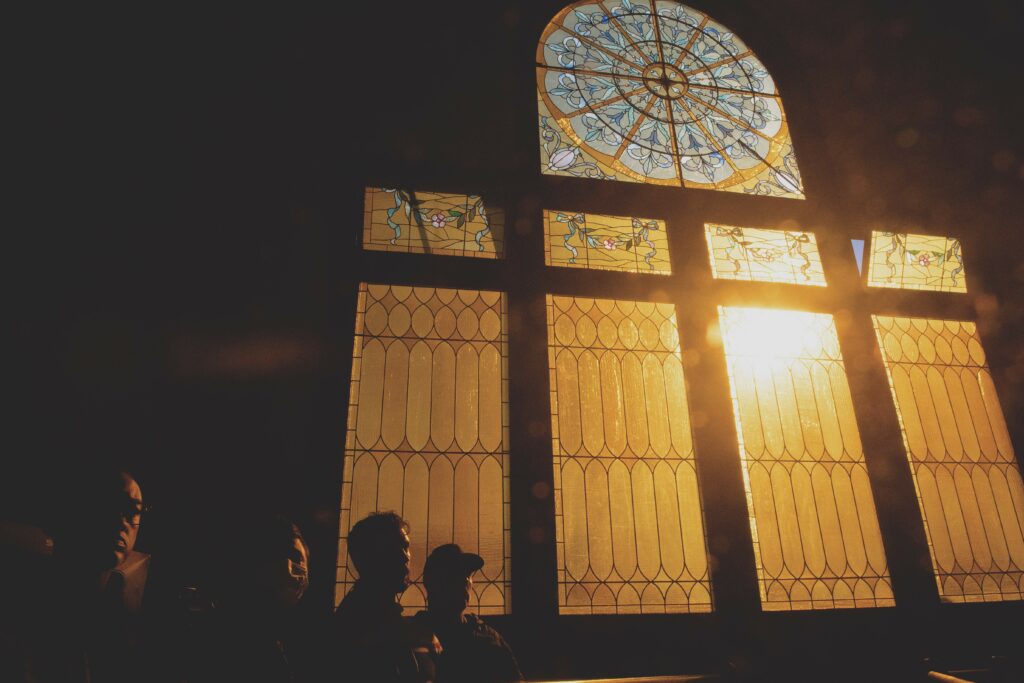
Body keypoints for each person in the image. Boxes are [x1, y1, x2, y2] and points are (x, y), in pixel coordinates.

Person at [2, 468, 153, 682]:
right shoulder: (19, 615)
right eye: (107, 505)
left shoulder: (120, 628)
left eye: (132, 511)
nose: (121, 521)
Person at [187, 515, 311, 683]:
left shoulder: (280, 633)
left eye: (304, 565)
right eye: (295, 559)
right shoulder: (232, 634)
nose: (301, 573)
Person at [333, 512, 438, 682]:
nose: (405, 556)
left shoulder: (388, 618)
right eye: (391, 549)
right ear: (366, 559)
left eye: (405, 546)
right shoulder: (357, 622)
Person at [412, 544, 522, 683]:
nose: (465, 580)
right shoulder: (415, 637)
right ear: (434, 582)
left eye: (468, 575)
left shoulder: (487, 634)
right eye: (454, 574)